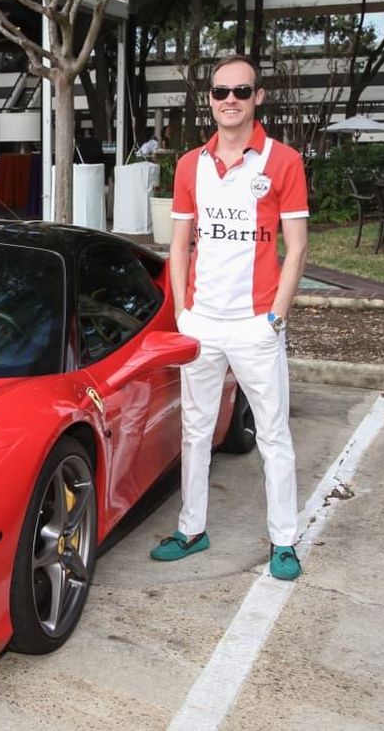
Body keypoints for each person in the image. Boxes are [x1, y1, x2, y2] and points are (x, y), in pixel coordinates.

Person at [150, 54, 309, 581]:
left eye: (241, 91)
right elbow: (178, 244)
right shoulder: (189, 164)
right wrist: (182, 313)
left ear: (258, 96)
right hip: (202, 322)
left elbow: (297, 247)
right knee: (194, 431)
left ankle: (283, 541)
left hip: (255, 323)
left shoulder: (282, 161)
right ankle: (192, 529)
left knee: (273, 435)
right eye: (221, 92)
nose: (231, 100)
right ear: (211, 99)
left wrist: (276, 319)